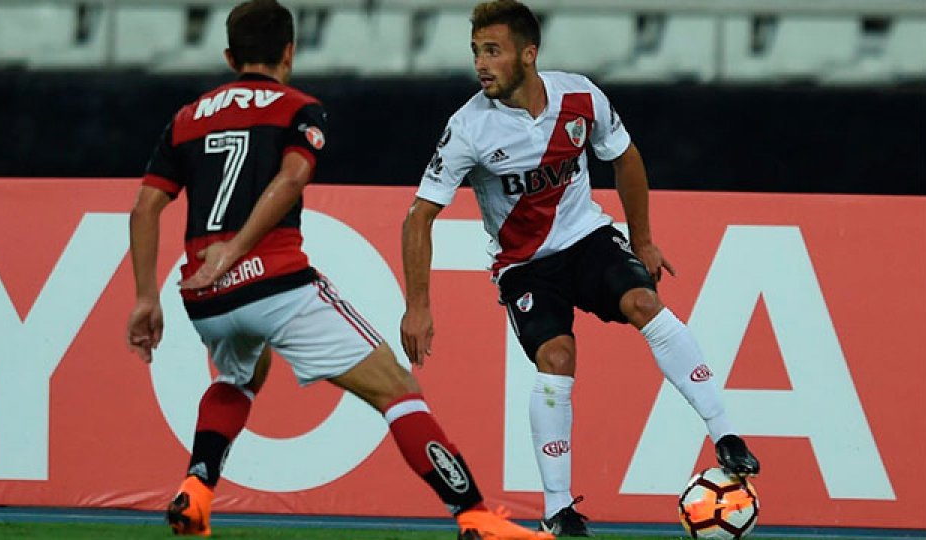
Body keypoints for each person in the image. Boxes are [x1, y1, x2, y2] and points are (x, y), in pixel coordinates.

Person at [126, 2, 553, 539]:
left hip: (206, 298)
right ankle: (474, 514)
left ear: (231, 56)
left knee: (239, 377)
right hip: (274, 283)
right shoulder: (297, 108)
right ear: (289, 52)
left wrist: (146, 298)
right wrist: (235, 250)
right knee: (397, 389)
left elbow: (144, 208)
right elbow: (292, 176)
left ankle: (196, 487)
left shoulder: (187, 118)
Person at [399, 1, 760, 537]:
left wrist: (643, 241)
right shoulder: (468, 128)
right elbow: (419, 217)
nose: (481, 64)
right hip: (524, 265)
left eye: (493, 51)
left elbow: (626, 157)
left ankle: (726, 435)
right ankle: (559, 509)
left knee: (644, 303)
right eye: (476, 52)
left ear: (528, 54)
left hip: (587, 238)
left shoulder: (580, 97)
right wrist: (418, 306)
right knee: (557, 357)